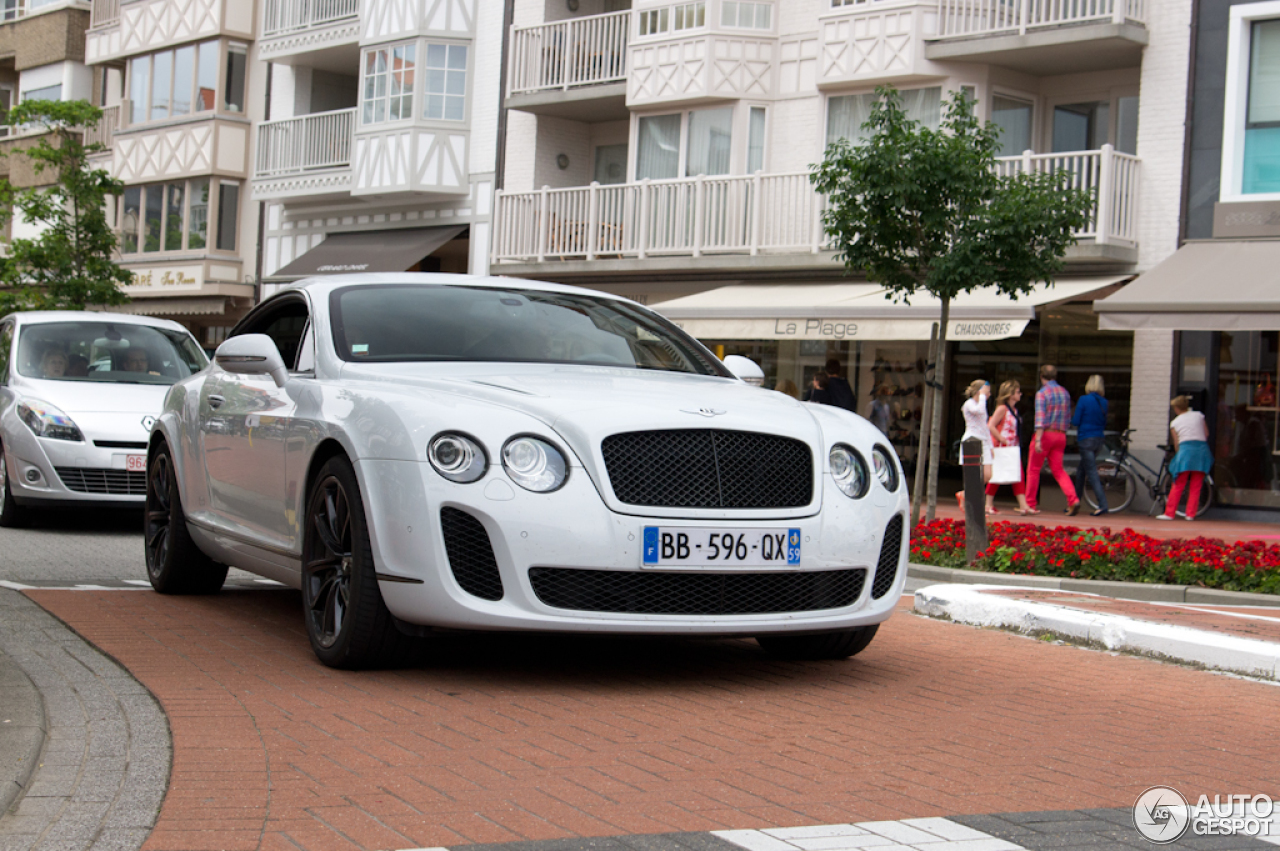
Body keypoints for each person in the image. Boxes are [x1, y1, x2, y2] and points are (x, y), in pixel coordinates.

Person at [1025, 364, 1079, 515]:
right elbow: (1068, 416)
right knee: (1058, 470)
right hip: (1060, 434)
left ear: (1041, 376)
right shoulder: (1065, 393)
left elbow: (1040, 418)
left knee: (1033, 470)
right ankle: (1073, 499)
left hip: (1046, 434)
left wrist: (1038, 440)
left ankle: (1030, 504)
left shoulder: (1042, 393)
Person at [1159, 395, 1213, 521]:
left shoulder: (1175, 422)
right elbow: (1206, 434)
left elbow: (1177, 442)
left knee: (1178, 483)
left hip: (1185, 450)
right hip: (1201, 450)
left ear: (1177, 408)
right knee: (1196, 485)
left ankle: (1170, 513)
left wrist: (1179, 455)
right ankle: (1190, 514)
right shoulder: (1199, 415)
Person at [985, 379, 1031, 516]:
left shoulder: (1014, 410)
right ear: (1010, 394)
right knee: (999, 474)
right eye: (1017, 392)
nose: (1020, 394)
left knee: (1018, 475)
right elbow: (990, 425)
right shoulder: (1002, 409)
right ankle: (988, 504)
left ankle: (1023, 505)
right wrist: (1000, 438)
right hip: (1002, 447)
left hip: (1012, 447)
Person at [1071, 374, 1110, 516]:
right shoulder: (1104, 402)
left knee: (1092, 472)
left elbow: (1075, 421)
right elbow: (1104, 422)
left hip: (1085, 439)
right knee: (1082, 471)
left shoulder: (1083, 400)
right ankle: (1074, 502)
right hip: (1099, 439)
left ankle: (1103, 504)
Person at [957, 380, 993, 508]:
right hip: (972, 440)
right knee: (973, 472)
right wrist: (982, 396)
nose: (988, 394)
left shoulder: (982, 403)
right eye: (987, 391)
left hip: (984, 440)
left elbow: (985, 426)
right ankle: (970, 498)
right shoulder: (969, 404)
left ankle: (966, 493)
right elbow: (979, 411)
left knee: (988, 474)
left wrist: (991, 445)